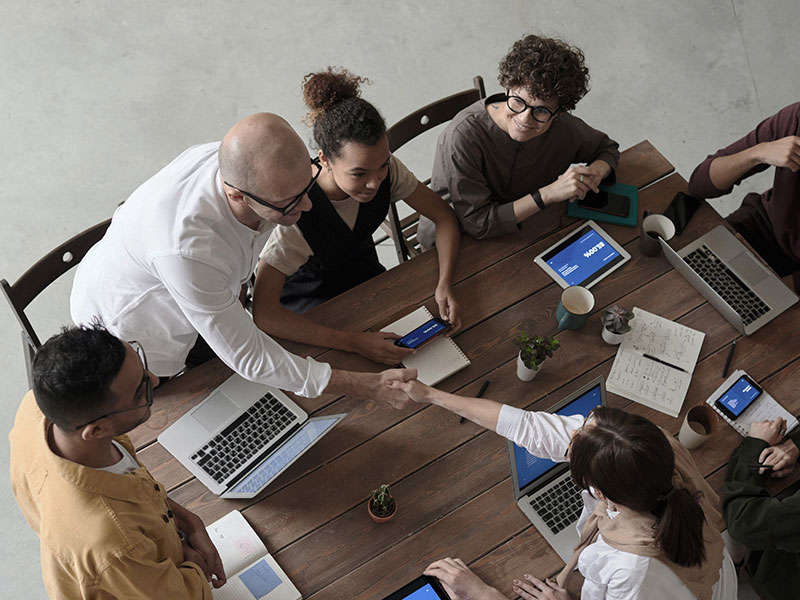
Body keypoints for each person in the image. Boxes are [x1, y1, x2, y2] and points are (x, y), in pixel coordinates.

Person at [70, 113, 415, 407]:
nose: (307, 207)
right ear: (236, 194)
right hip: (137, 328)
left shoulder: (249, 169)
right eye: (288, 203)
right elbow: (249, 356)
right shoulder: (189, 250)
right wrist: (366, 386)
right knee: (189, 412)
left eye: (305, 189)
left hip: (201, 286)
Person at [388, 380, 737, 599]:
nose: (570, 434)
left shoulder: (631, 569)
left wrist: (484, 595)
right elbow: (528, 426)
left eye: (575, 440)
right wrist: (431, 395)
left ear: (600, 494)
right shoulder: (651, 447)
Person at [253, 68, 461, 365]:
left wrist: (445, 283)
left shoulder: (385, 172)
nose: (376, 183)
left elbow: (444, 219)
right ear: (324, 159)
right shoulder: (295, 217)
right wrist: (354, 343)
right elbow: (264, 314)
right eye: (359, 174)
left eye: (382, 165)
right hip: (311, 306)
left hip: (363, 278)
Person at [9, 325, 226, 598]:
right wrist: (194, 565)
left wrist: (189, 521)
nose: (156, 380)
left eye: (142, 365)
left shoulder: (35, 407)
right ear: (98, 430)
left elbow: (133, 489)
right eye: (140, 392)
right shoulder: (116, 544)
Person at [417, 34, 619, 248]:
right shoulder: (462, 136)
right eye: (518, 101)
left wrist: (595, 173)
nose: (524, 119)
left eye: (541, 110)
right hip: (457, 238)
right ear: (507, 88)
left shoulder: (561, 126)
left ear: (560, 112)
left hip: (526, 225)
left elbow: (606, 148)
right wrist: (549, 193)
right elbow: (478, 224)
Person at [688, 102, 800, 291]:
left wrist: (768, 287)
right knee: (681, 267)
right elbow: (699, 185)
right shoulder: (795, 120)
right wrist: (759, 152)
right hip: (764, 225)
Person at [723, 416, 800, 600]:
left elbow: (742, 522)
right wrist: (795, 444)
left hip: (782, 573)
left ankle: (737, 564)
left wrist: (754, 445)